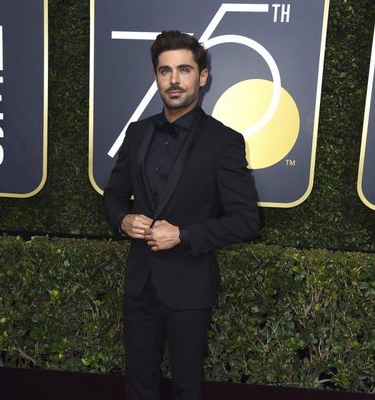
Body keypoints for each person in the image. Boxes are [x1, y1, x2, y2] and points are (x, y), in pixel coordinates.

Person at [103, 30, 260, 400]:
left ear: (202, 76)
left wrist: (184, 235)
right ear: (156, 76)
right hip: (139, 283)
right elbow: (112, 196)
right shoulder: (138, 132)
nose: (174, 80)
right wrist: (122, 220)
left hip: (190, 285)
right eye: (165, 71)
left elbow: (246, 219)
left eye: (184, 70)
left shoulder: (224, 141)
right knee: (138, 384)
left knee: (188, 386)